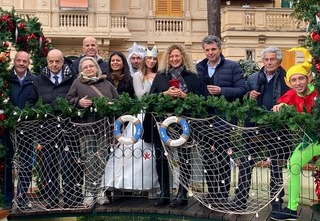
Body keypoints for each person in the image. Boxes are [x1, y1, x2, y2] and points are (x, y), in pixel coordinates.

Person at [143, 44, 201, 207]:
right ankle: (165, 193)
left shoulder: (192, 76)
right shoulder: (161, 76)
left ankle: (182, 194)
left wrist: (184, 96)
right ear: (167, 58)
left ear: (183, 57)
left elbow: (199, 100)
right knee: (161, 159)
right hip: (162, 125)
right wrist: (165, 94)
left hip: (184, 124)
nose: (174, 59)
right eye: (171, 56)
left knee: (184, 159)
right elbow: (151, 98)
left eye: (177, 56)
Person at [234, 47, 291, 211]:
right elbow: (243, 98)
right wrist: (248, 96)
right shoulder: (253, 78)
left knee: (275, 165)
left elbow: (291, 98)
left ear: (279, 61)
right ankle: (240, 199)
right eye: (266, 60)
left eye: (272, 59)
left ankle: (276, 202)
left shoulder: (286, 78)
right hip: (254, 126)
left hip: (277, 128)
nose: (269, 62)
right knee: (246, 162)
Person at [196, 35, 248, 204]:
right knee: (207, 157)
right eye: (207, 50)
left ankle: (223, 193)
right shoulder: (199, 68)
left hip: (224, 119)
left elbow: (242, 89)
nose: (210, 53)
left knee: (223, 156)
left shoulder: (232, 67)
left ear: (220, 49)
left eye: (213, 49)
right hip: (205, 118)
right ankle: (211, 192)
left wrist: (221, 91)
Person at [102, 46, 159, 193]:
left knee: (155, 151)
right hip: (143, 113)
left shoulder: (160, 74)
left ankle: (154, 186)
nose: (151, 61)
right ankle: (128, 184)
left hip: (157, 114)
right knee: (134, 148)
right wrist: (155, 89)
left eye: (154, 58)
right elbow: (141, 96)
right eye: (148, 58)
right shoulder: (138, 76)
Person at [27, 49, 78, 209]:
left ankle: (70, 198)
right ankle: (52, 199)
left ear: (63, 62)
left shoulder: (72, 78)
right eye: (51, 61)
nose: (54, 64)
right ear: (47, 62)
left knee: (69, 164)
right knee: (49, 165)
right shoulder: (38, 80)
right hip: (47, 129)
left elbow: (76, 97)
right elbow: (31, 101)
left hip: (68, 128)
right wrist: (40, 110)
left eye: (57, 61)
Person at [271, 48, 317, 221]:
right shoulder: (291, 94)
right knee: (294, 164)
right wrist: (280, 107)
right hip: (310, 139)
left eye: (301, 78)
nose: (298, 82)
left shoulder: (317, 92)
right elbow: (282, 102)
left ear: (308, 79)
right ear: (290, 82)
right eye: (294, 79)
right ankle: (291, 210)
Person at [66, 56, 119, 206]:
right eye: (86, 67)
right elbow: (68, 99)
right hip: (86, 128)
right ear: (81, 70)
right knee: (89, 160)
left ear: (97, 68)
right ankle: (89, 192)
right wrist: (79, 102)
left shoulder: (106, 83)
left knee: (102, 159)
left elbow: (119, 100)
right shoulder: (78, 83)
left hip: (104, 128)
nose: (89, 69)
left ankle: (101, 191)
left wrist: (111, 104)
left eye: (91, 66)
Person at [8, 52, 36, 210]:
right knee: (7, 163)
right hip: (7, 127)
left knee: (26, 164)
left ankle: (22, 196)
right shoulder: (6, 79)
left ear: (28, 63)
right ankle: (7, 197)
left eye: (24, 61)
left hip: (27, 127)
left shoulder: (34, 80)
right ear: (14, 61)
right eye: (19, 60)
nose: (21, 63)